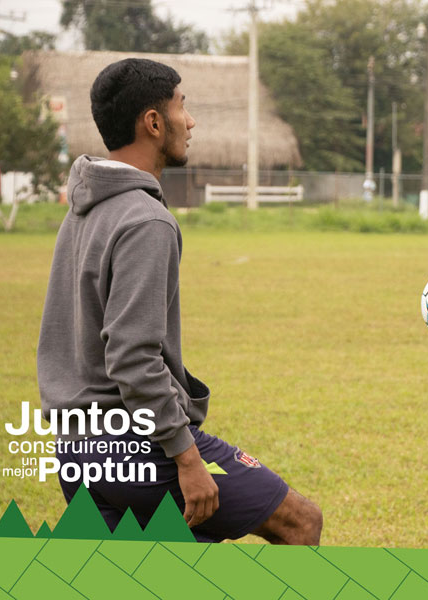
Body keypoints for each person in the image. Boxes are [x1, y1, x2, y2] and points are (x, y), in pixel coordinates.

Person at [37, 58, 323, 543]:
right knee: (301, 521)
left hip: (78, 452)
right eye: (181, 108)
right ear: (153, 122)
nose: (189, 122)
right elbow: (132, 357)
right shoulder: (145, 220)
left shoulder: (84, 209)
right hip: (139, 448)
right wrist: (187, 458)